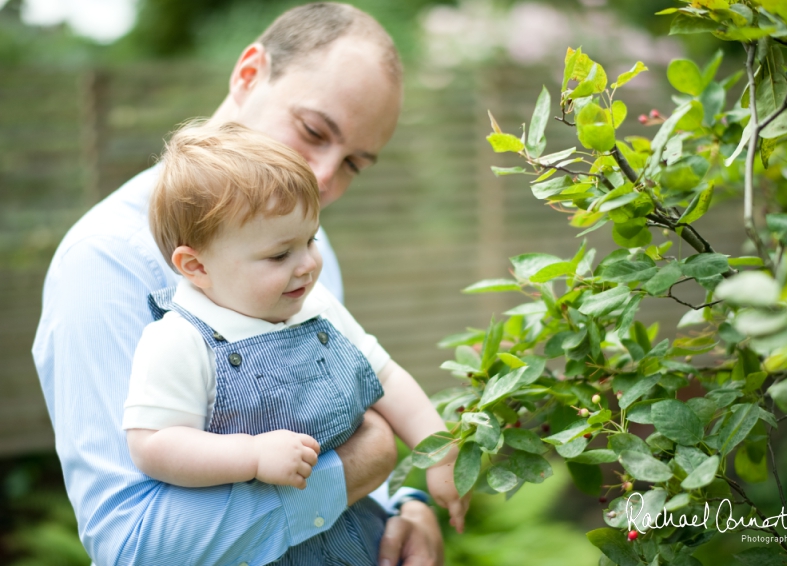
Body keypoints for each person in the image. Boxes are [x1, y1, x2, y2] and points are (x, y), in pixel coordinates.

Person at [32, 3, 446, 565]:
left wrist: (407, 502)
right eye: (313, 131)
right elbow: (131, 549)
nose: (324, 178)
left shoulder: (299, 251)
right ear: (249, 73)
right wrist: (352, 468)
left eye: (354, 164)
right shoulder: (104, 263)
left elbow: (338, 409)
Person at [122, 121, 466, 565]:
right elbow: (153, 445)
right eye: (280, 255)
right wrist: (250, 454)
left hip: (352, 533)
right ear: (196, 266)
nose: (307, 264)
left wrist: (439, 451)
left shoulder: (316, 305)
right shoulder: (179, 339)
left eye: (312, 239)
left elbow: (387, 375)